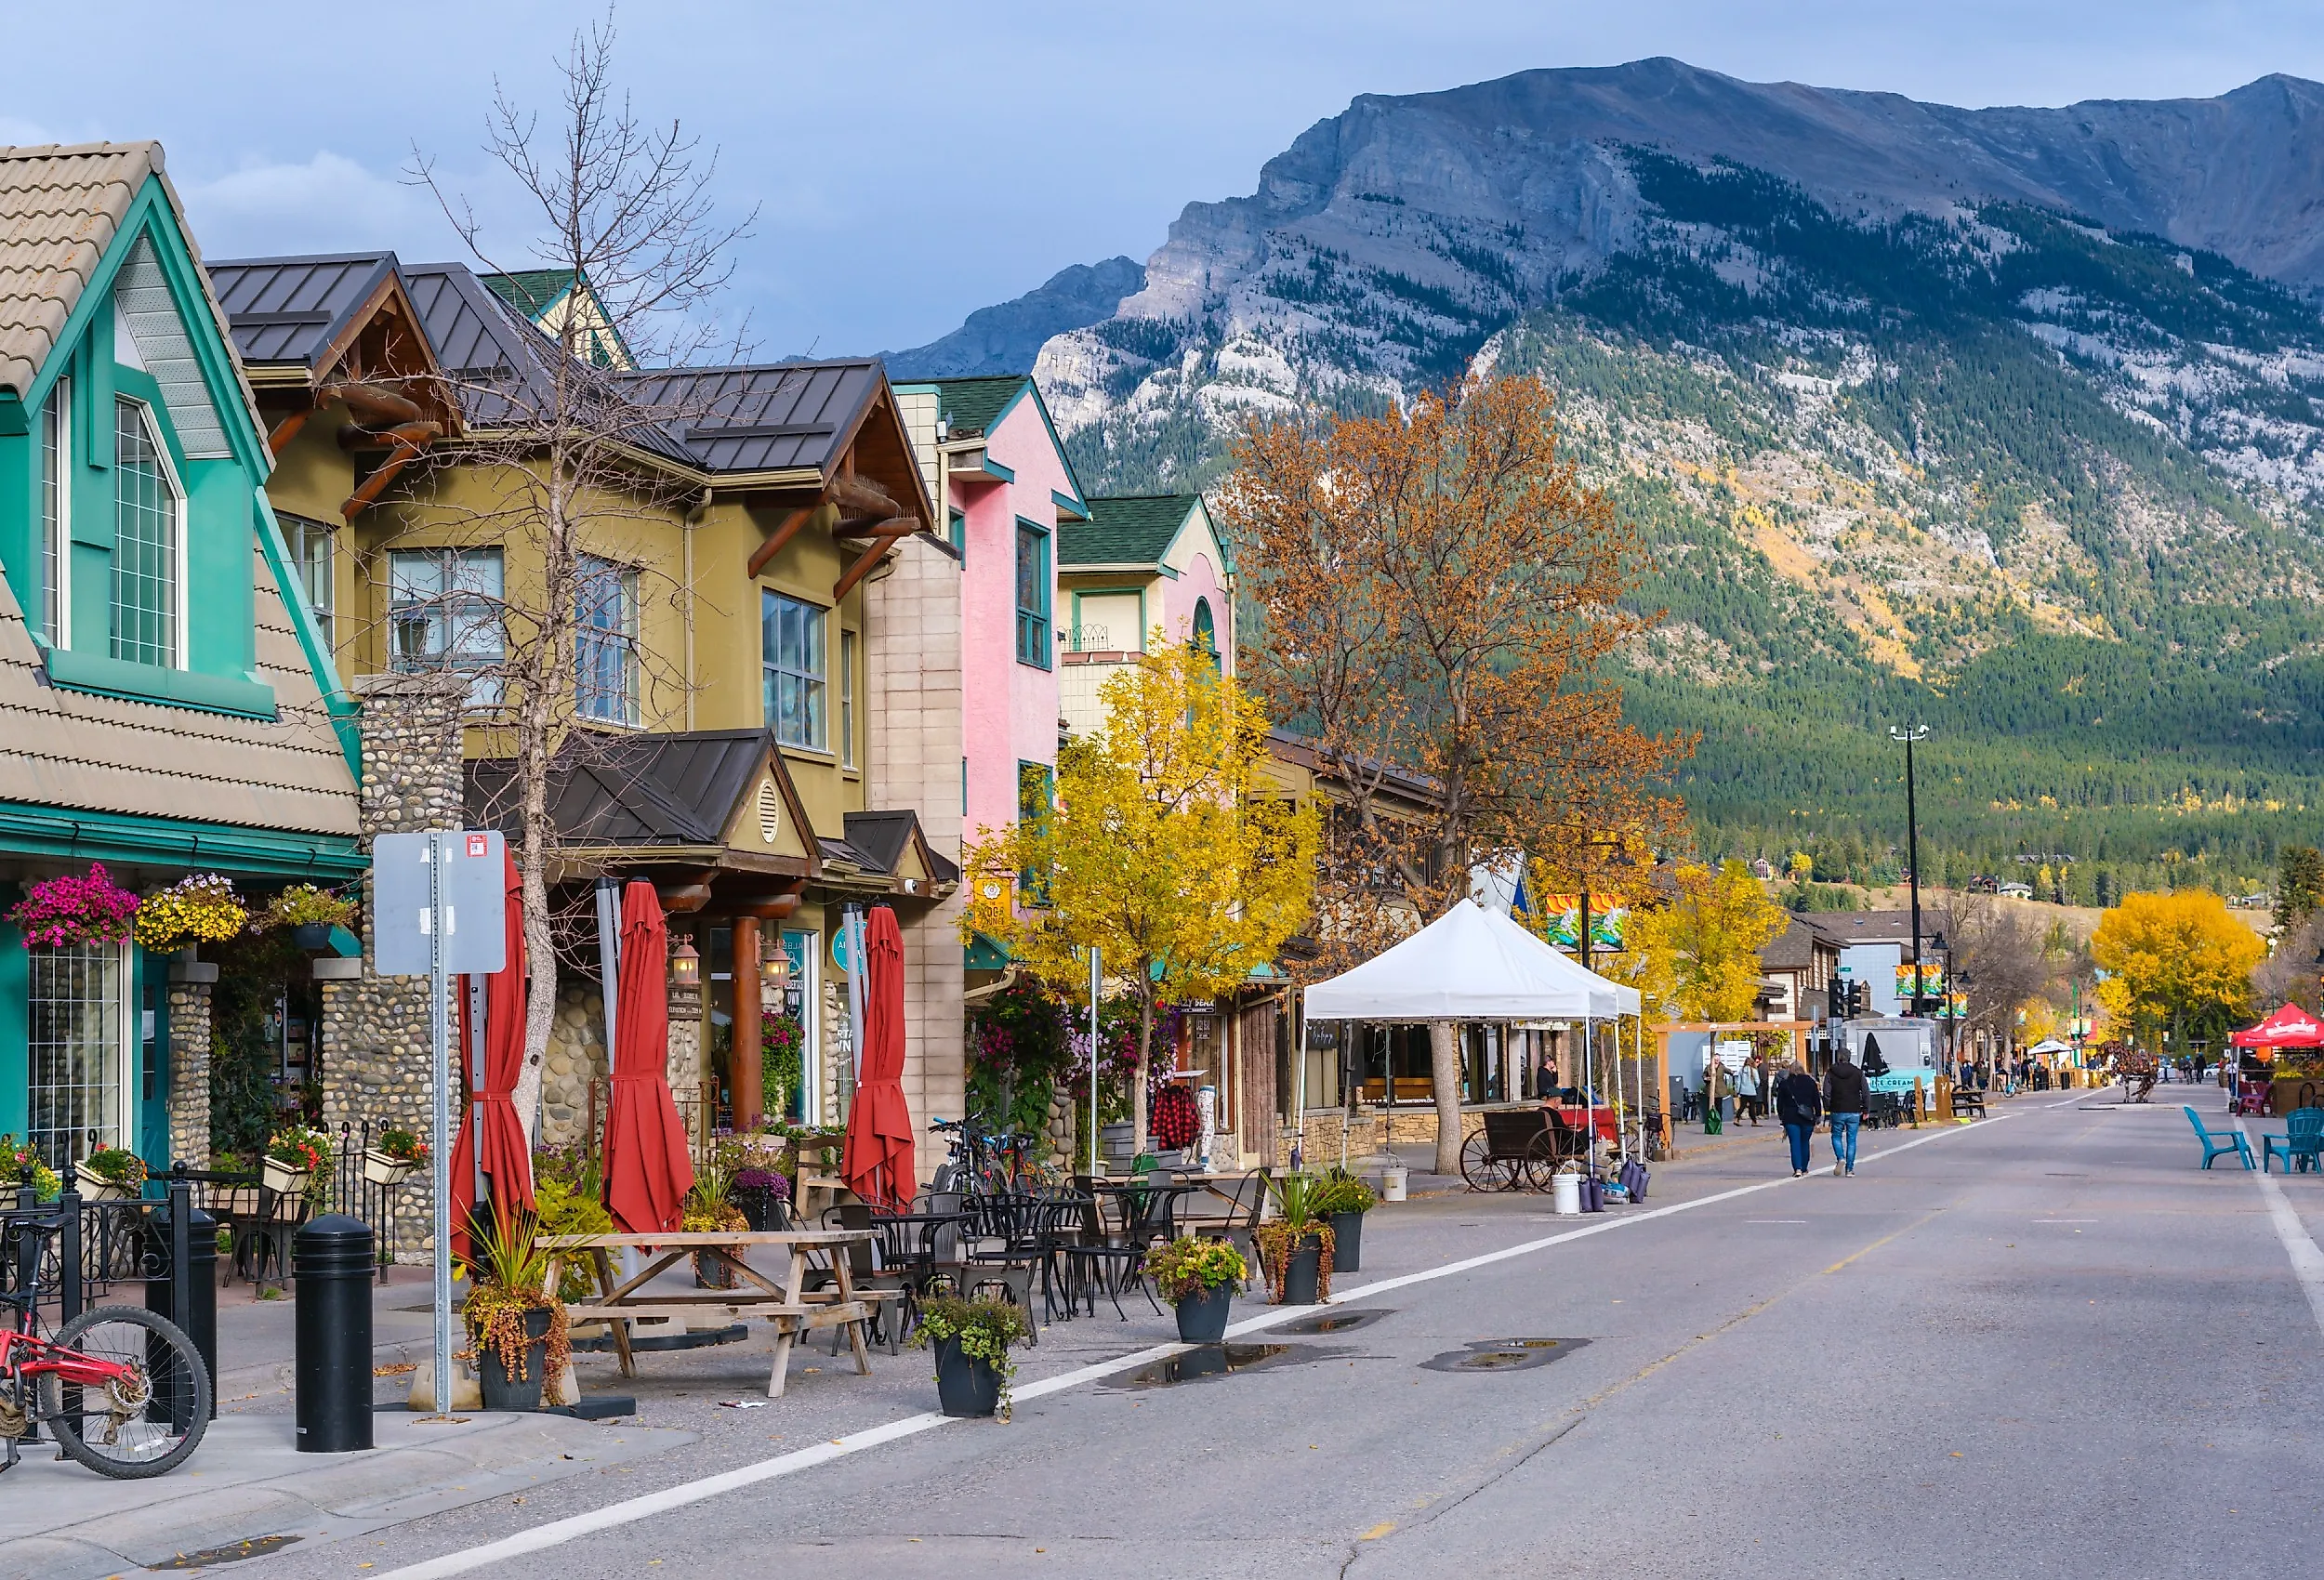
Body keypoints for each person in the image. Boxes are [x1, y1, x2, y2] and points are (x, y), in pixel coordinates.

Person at [1775, 1060, 1823, 1177]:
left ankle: (1797, 1169)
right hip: (1807, 1117)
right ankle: (1804, 1167)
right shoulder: (1810, 1082)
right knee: (1805, 1142)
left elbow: (1780, 1103)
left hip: (1790, 1117)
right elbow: (1816, 1100)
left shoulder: (1785, 1083)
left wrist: (1781, 1116)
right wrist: (1817, 1115)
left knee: (1794, 1143)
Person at [1826, 1050, 1868, 1177]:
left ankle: (1840, 1157)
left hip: (1837, 1109)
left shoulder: (1831, 1072)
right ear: (1849, 1058)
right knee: (1852, 1139)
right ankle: (1849, 1169)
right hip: (1854, 1110)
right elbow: (1866, 1092)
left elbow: (1827, 1092)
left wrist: (1828, 1107)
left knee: (1836, 1136)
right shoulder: (1858, 1073)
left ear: (1838, 1058)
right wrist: (1865, 1109)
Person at [1735, 1057, 1763, 1127]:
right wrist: (1755, 1087)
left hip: (1743, 1091)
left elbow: (1738, 1082)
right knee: (1752, 1107)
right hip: (1751, 1091)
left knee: (1742, 1106)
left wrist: (1738, 1091)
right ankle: (1754, 1121)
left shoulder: (1741, 1070)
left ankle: (1737, 1118)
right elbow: (1757, 1081)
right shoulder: (1754, 1070)